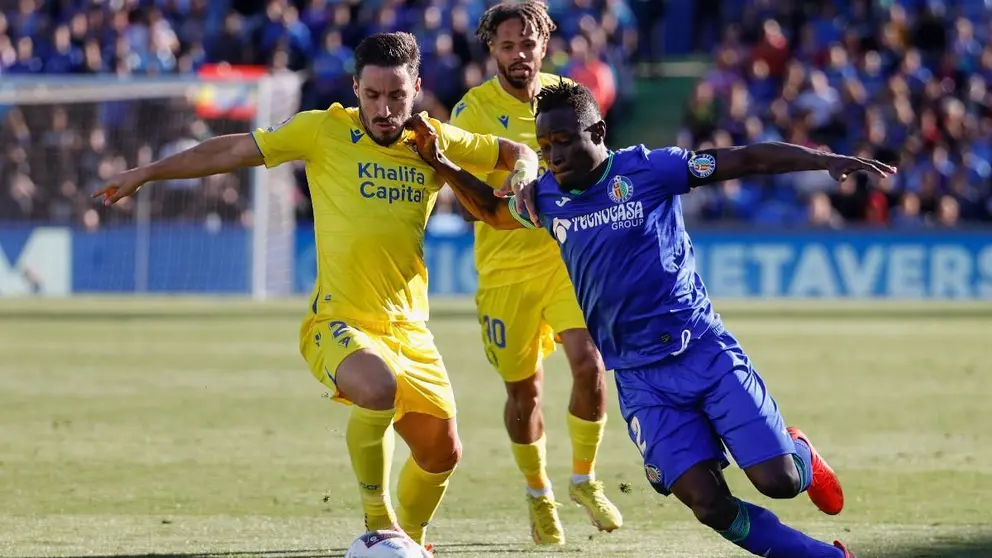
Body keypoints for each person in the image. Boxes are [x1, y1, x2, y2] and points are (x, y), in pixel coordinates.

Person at [405, 82, 898, 558]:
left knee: (781, 481)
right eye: (545, 145)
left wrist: (821, 159)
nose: (554, 156)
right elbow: (490, 211)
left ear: (598, 132)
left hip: (703, 351)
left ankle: (800, 453)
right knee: (708, 504)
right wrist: (440, 161)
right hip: (641, 379)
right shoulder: (546, 197)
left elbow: (745, 159)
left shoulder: (650, 170)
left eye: (564, 141)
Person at [92, 32, 539, 550]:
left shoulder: (433, 140)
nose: (384, 109)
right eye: (372, 95)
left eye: (397, 95)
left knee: (442, 454)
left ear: (416, 89)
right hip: (338, 321)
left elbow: (518, 153)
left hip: (410, 329)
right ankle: (379, 522)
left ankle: (408, 541)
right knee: (377, 389)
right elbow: (234, 148)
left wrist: (524, 176)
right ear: (355, 89)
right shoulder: (322, 130)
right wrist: (149, 172)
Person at [447, 2, 621, 544]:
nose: (519, 54)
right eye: (507, 46)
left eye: (527, 44)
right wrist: (509, 192)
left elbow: (599, 168)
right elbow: (465, 201)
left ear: (544, 44)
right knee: (525, 394)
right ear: (492, 49)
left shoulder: (568, 98)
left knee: (590, 365)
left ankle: (584, 480)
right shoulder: (473, 111)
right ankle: (538, 491)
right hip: (505, 274)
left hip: (566, 263)